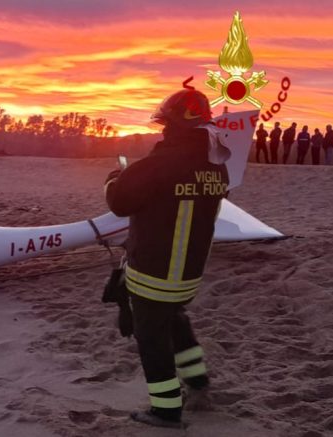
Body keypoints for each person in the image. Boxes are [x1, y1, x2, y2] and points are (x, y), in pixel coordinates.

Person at [104, 89, 227, 428]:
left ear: (173, 126)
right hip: (187, 274)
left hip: (154, 273)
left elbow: (119, 202)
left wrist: (114, 178)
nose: (162, 131)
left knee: (152, 340)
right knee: (176, 323)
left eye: (166, 125)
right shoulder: (217, 167)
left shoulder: (159, 164)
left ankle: (166, 410)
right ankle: (198, 384)